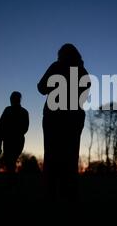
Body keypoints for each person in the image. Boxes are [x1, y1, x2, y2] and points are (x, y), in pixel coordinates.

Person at [38, 43, 90, 201]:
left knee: (52, 154)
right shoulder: (82, 71)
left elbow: (41, 88)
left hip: (54, 116)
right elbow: (85, 92)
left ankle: (51, 194)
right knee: (71, 155)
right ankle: (69, 195)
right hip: (74, 118)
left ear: (61, 55)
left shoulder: (57, 66)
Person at [0, 91, 29, 179]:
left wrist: (9, 134)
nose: (12, 100)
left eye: (13, 98)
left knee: (10, 161)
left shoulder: (9, 110)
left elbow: (25, 127)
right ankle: (11, 180)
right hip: (14, 139)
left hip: (14, 140)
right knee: (10, 161)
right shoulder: (22, 111)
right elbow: (1, 124)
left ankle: (11, 180)